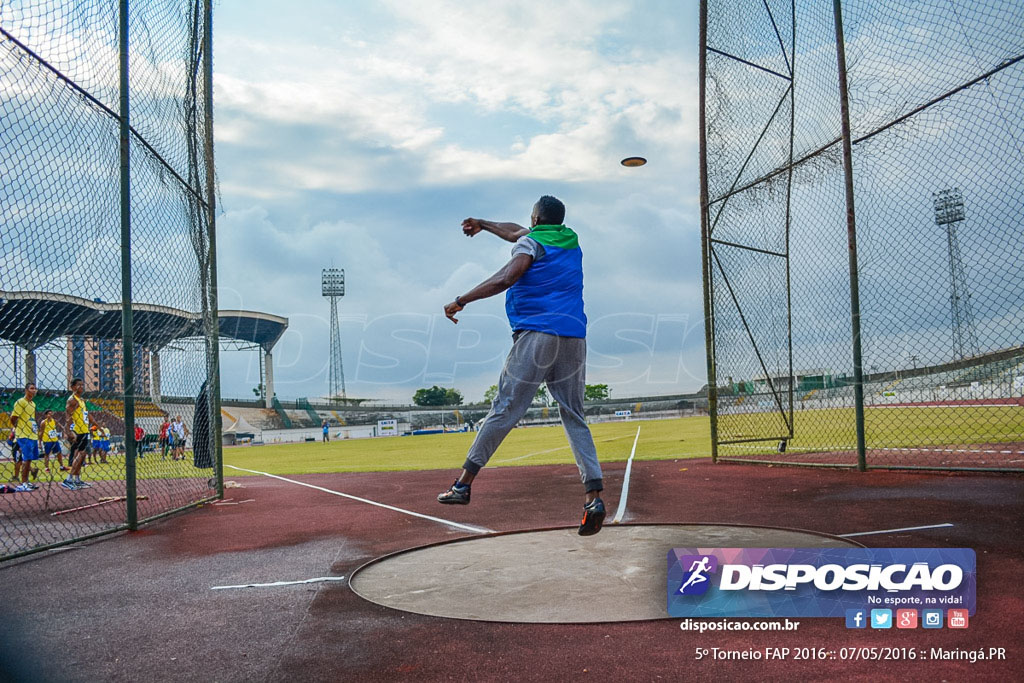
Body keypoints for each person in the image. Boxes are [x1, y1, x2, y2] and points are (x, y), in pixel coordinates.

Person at [436, 196, 606, 536]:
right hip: (574, 336)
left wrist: (461, 300)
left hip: (537, 335)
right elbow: (515, 232)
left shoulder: (531, 243)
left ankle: (463, 484)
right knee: (573, 414)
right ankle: (594, 498)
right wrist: (483, 224)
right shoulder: (570, 240)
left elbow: (506, 277)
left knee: (506, 407)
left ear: (537, 218)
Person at [63, 378, 96, 490]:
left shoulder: (81, 400)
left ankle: (77, 480)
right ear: (72, 387)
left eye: (82, 385)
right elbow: (68, 415)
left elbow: (85, 415)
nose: (81, 387)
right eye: (78, 385)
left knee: (82, 455)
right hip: (77, 430)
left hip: (84, 430)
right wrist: (68, 431)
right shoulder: (73, 400)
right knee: (80, 454)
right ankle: (68, 479)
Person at [10, 383, 40, 492]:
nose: (34, 390)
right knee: (26, 459)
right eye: (32, 388)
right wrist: (18, 427)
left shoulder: (33, 404)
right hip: (23, 435)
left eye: (35, 388)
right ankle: (23, 483)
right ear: (26, 390)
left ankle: (26, 482)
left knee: (29, 459)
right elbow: (13, 417)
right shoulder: (20, 402)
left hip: (32, 434)